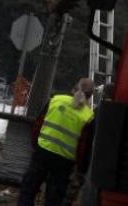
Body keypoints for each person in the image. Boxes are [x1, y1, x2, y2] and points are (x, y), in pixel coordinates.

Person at [18, 78, 95, 206]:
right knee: (54, 199)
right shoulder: (88, 116)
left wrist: (36, 145)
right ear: (90, 96)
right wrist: (81, 168)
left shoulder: (55, 100)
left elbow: (38, 125)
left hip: (42, 153)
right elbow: (84, 147)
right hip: (64, 162)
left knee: (28, 191)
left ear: (74, 88)